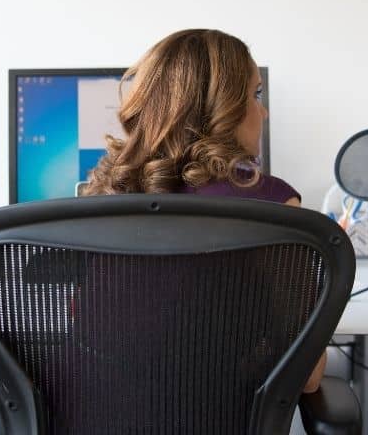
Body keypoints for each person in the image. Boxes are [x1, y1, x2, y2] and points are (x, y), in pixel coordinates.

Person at [83, 28, 327, 394]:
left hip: (90, 415)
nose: (264, 111)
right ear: (224, 107)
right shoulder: (272, 207)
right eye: (255, 94)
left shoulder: (99, 199)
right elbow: (306, 377)